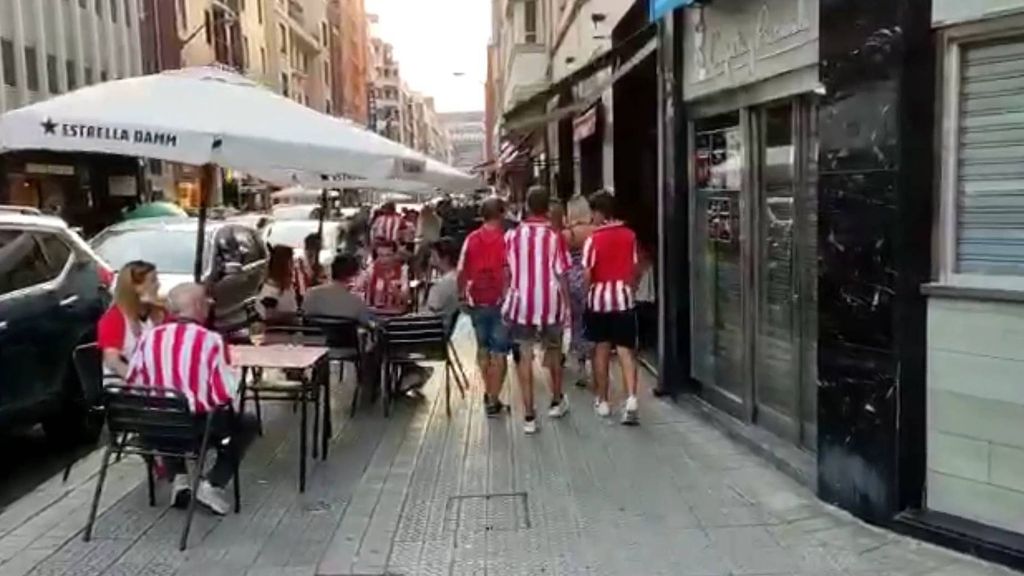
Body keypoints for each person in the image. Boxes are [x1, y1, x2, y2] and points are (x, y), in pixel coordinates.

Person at [125, 283, 259, 515]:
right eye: (206, 299)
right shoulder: (210, 341)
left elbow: (134, 383)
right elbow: (226, 392)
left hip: (154, 430)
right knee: (246, 423)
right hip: (195, 432)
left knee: (164, 411)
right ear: (197, 306)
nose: (211, 302)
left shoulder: (148, 338)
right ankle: (212, 484)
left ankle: (180, 480)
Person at [503, 187, 570, 434]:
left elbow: (507, 272)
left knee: (524, 355)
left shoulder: (511, 236)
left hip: (521, 302)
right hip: (550, 302)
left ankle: (529, 416)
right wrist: (568, 308)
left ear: (528, 206)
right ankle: (556, 400)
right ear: (547, 209)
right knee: (553, 349)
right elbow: (561, 274)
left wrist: (506, 297)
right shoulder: (555, 236)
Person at [582, 191, 641, 424]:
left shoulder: (593, 239)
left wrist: (588, 294)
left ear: (597, 212)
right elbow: (635, 268)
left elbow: (587, 272)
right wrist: (630, 289)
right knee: (626, 350)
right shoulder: (630, 235)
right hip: (624, 298)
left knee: (602, 350)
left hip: (599, 300)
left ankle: (603, 401)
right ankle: (632, 399)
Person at [458, 197, 512, 417]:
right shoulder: (506, 239)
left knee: (483, 347)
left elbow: (461, 270)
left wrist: (461, 295)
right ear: (501, 214)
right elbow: (508, 271)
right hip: (501, 301)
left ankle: (490, 392)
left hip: (477, 300)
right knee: (500, 351)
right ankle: (493, 397)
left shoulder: (471, 239)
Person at [97, 260, 166, 378]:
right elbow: (112, 361)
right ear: (135, 287)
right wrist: (137, 378)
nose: (158, 285)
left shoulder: (156, 314)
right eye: (153, 281)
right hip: (125, 386)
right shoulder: (114, 318)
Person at [562, 195, 597, 388]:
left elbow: (560, 261)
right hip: (592, 278)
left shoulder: (568, 235)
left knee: (577, 324)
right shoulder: (596, 232)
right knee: (593, 322)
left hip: (572, 282)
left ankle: (582, 368)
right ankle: (596, 362)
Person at [363, 239, 410, 312]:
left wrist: (396, 293)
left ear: (395, 255)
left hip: (395, 314)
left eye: (388, 255)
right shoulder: (370, 270)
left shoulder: (402, 270)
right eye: (381, 255)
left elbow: (406, 299)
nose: (384, 259)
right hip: (373, 313)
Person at [258, 245, 300, 324]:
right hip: (279, 332)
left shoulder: (285, 285)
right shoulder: (270, 292)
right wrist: (292, 316)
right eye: (291, 261)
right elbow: (270, 317)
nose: (294, 265)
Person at [426, 237, 461, 331]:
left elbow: (427, 317)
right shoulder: (463, 279)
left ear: (445, 258)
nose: (430, 260)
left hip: (439, 332)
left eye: (433, 256)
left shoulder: (440, 286)